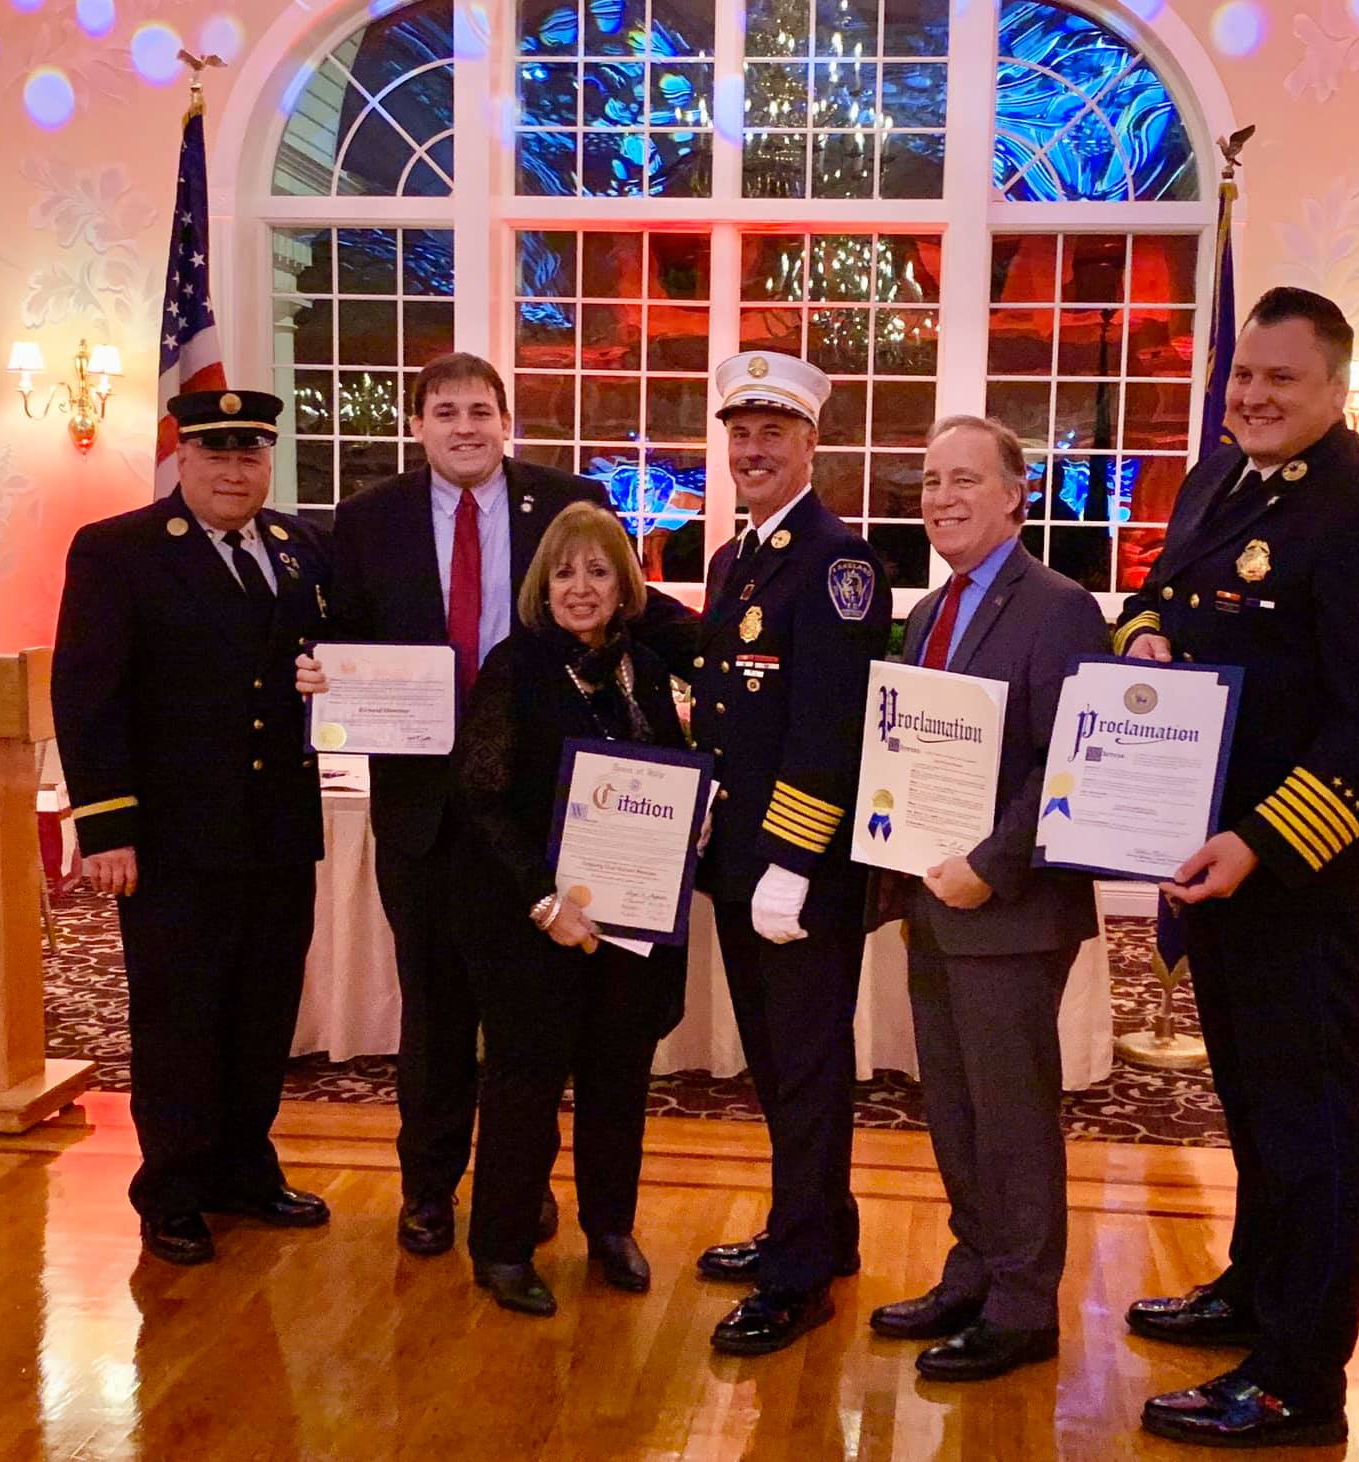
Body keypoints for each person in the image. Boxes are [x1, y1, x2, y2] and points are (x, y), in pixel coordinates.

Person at [1113, 288, 1359, 1449]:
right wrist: (1142, 632)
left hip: (1296, 874)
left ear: (1335, 386)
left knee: (1312, 1118)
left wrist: (1259, 839)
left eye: (1277, 381)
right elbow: (1155, 590)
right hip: (1209, 857)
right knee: (1250, 1100)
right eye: (1242, 376)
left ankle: (1301, 1376)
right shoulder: (1217, 482)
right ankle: (1254, 1289)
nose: (1249, 395)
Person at [298, 353, 697, 1259]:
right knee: (436, 1010)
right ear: (417, 424)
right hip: (426, 812)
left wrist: (738, 656)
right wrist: (316, 669)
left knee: (548, 1021)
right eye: (446, 411)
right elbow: (334, 636)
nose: (465, 426)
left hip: (546, 817)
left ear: (506, 420)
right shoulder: (365, 522)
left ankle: (522, 1196)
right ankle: (431, 1192)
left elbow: (628, 603)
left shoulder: (565, 496)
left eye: (482, 409)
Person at [52, 389, 334, 1266]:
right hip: (174, 842)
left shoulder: (298, 548)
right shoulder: (118, 551)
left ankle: (243, 1169)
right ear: (183, 458)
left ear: (268, 463)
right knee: (179, 1018)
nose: (234, 471)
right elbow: (88, 697)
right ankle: (171, 1189)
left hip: (279, 831)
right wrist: (106, 829)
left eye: (251, 455)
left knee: (262, 1012)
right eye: (216, 454)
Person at [864, 416, 1109, 1382]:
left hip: (1007, 909)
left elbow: (1067, 763)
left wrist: (991, 864)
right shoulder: (930, 613)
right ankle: (974, 1266)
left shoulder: (1059, 606)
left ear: (1015, 494)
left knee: (1010, 1111)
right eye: (928, 481)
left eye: (964, 480)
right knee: (954, 1103)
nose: (941, 498)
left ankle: (1022, 1306)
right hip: (931, 895)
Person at [691, 350, 891, 1357]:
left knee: (805, 1065)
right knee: (775, 1062)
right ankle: (816, 1223)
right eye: (739, 430)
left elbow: (830, 724)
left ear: (810, 444)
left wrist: (793, 860)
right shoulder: (736, 560)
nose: (752, 447)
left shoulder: (838, 562)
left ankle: (798, 1275)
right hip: (737, 860)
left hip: (794, 869)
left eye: (773, 431)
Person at [448, 502, 691, 1315]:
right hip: (532, 923)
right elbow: (480, 801)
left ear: (625, 586)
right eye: (563, 572)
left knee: (619, 1080)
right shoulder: (514, 668)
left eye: (597, 571)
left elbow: (670, 775)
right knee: (523, 1085)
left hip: (628, 924)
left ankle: (611, 1229)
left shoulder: (645, 669)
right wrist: (546, 902)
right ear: (540, 587)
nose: (580, 588)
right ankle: (503, 1247)